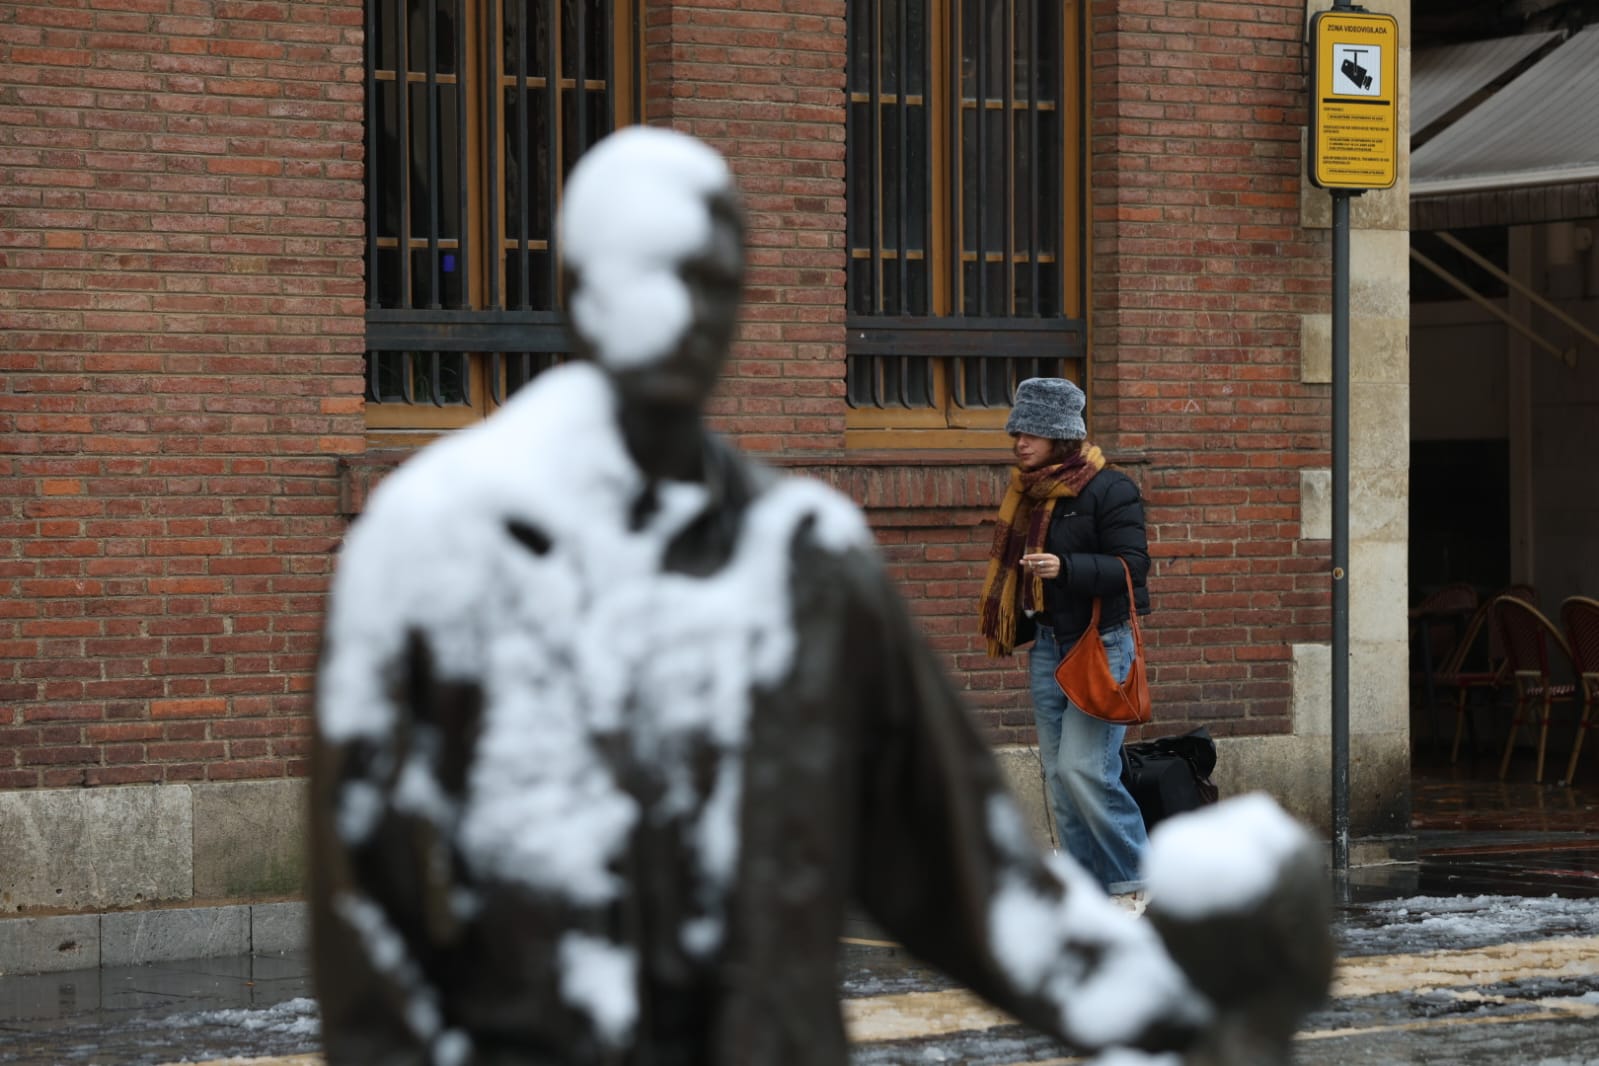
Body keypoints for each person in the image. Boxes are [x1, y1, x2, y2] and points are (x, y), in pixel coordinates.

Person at [309, 127, 1330, 1066]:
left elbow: (955, 868)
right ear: (577, 292)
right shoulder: (435, 538)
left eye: (707, 279)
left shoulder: (802, 553)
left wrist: (1186, 1011)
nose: (676, 311)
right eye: (644, 276)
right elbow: (367, 906)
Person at [979, 377, 1153, 892]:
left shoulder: (1110, 488)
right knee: (1058, 779)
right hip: (1051, 645)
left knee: (1085, 771)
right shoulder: (1028, 494)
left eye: (1031, 433)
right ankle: (1084, 892)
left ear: (1061, 436)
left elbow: (1133, 567)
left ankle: (1140, 883)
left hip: (1101, 644)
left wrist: (1066, 567)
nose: (1020, 443)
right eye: (1017, 432)